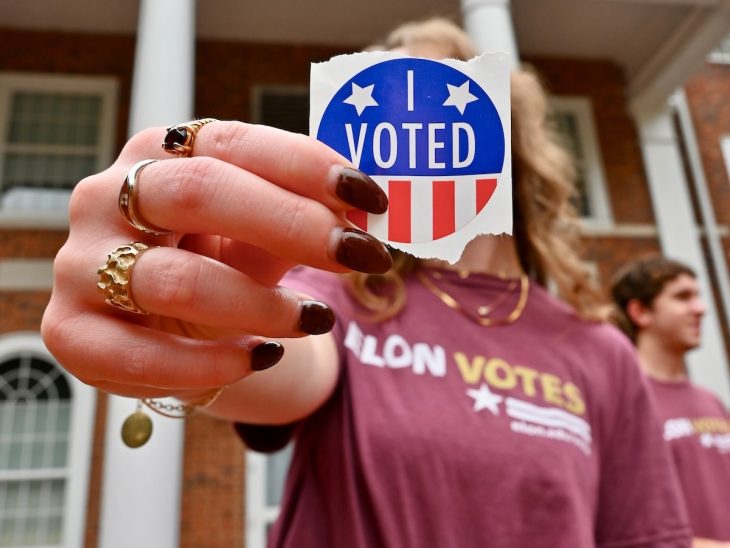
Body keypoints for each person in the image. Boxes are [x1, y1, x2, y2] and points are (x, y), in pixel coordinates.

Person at [42, 18, 692, 548]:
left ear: (507, 137)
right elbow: (278, 352)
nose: (408, 119)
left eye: (436, 88)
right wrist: (183, 309)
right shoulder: (340, 295)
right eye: (383, 95)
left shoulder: (599, 351)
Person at [611, 256, 730, 548]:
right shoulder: (619, 401)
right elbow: (626, 526)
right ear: (640, 312)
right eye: (682, 297)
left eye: (698, 296)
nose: (700, 309)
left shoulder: (710, 400)